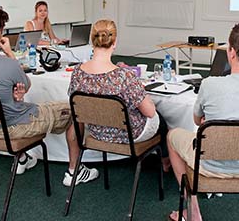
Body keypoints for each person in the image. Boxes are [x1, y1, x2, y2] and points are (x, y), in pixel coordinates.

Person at [0, 6, 99, 185]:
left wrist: (11, 96)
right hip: (13, 127)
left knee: (16, 106)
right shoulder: (6, 64)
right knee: (75, 110)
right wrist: (9, 53)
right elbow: (26, 84)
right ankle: (75, 171)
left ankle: (22, 159)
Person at [167, 24, 239, 221]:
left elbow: (197, 121)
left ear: (231, 52)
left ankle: (193, 211)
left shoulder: (210, 84)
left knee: (172, 136)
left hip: (210, 166)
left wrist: (210, 121)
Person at [68, 19, 170, 170]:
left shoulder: (77, 73)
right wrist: (144, 95)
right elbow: (149, 112)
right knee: (160, 118)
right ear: (114, 42)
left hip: (97, 132)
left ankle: (73, 169)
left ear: (92, 41)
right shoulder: (124, 76)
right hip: (129, 135)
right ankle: (166, 161)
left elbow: (77, 109)